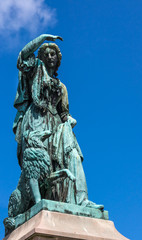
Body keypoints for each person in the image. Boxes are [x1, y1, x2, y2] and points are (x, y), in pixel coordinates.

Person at [13, 34, 103, 209]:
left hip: (56, 124)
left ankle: (81, 200)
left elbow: (64, 113)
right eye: (45, 53)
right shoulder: (35, 70)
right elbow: (22, 57)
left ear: (58, 59)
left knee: (73, 155)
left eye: (52, 54)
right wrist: (43, 38)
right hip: (37, 121)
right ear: (40, 57)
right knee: (38, 164)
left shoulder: (62, 87)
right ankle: (38, 200)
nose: (49, 57)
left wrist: (69, 121)